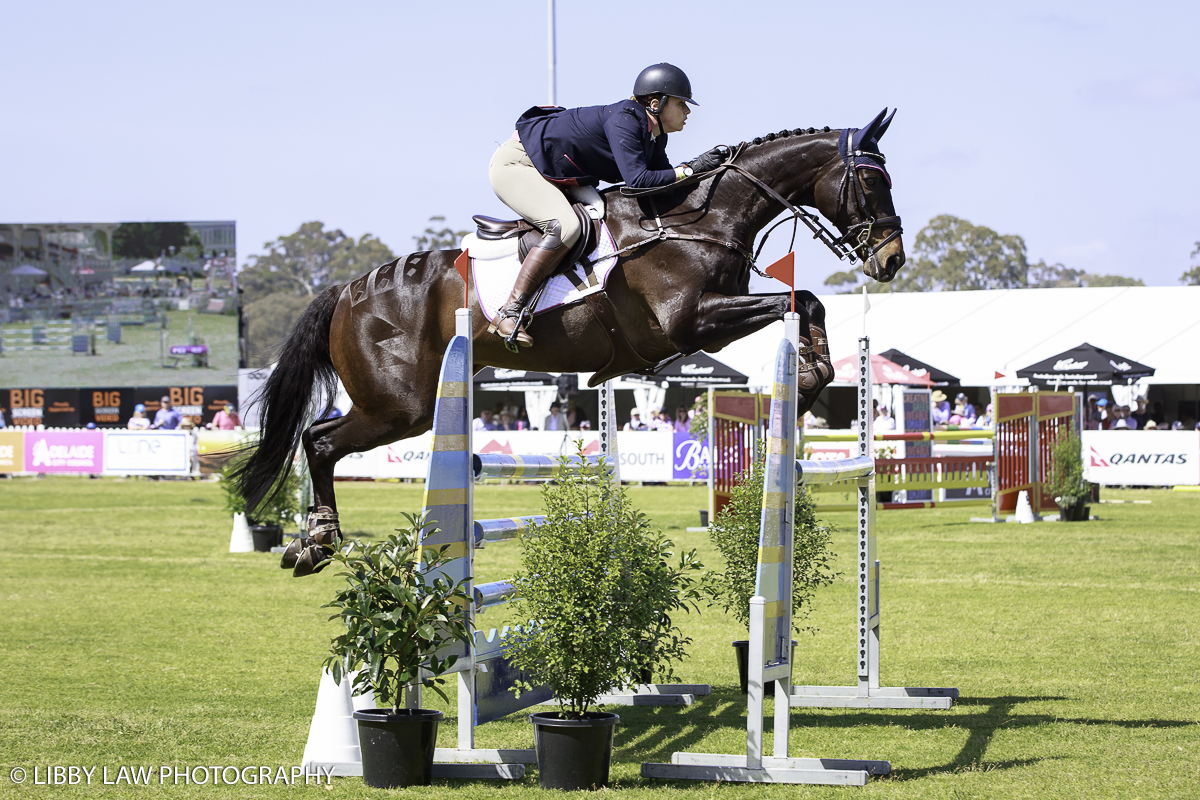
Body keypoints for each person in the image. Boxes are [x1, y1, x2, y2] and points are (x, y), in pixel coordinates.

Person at [488, 63, 724, 348]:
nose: (688, 111)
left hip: (554, 170)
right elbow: (637, 180)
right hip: (518, 164)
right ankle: (509, 312)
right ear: (655, 103)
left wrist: (703, 172)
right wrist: (689, 169)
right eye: (681, 103)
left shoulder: (655, 136)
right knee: (566, 226)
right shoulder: (625, 119)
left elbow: (662, 186)